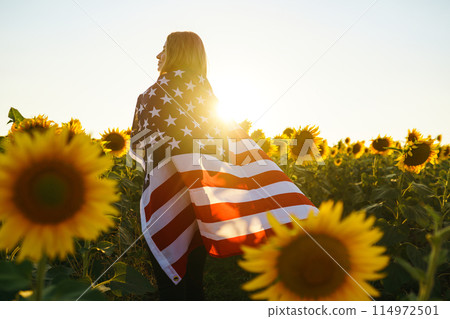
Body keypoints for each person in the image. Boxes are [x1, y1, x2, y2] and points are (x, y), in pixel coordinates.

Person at [129, 31, 317, 301]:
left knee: (169, 286)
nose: (158, 56)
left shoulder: (150, 96)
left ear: (177, 53)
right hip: (202, 198)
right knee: (194, 282)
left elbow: (138, 144)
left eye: (164, 49)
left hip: (165, 198)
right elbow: (220, 148)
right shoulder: (209, 97)